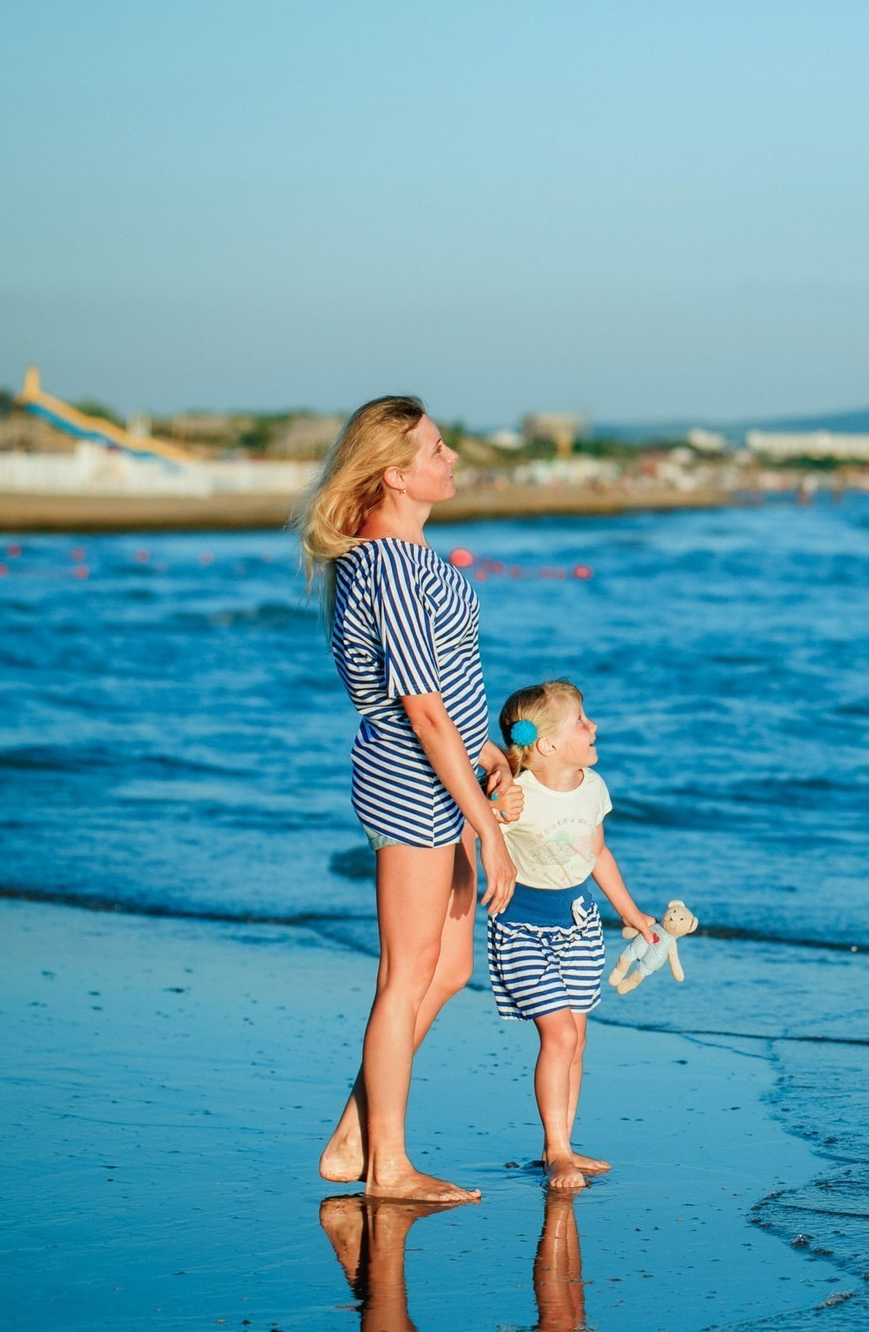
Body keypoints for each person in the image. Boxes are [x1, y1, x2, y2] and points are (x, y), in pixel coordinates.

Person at [298, 395, 523, 1204]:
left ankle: (358, 1133)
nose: (452, 456)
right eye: (436, 447)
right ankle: (386, 1166)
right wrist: (481, 823)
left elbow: (451, 694)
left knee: (449, 965)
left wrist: (491, 754)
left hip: (446, 771)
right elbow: (420, 707)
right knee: (405, 972)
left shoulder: (411, 558)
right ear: (396, 473)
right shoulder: (387, 562)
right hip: (411, 778)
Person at [490, 679, 665, 1192]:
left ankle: (559, 1141)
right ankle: (558, 1152)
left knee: (578, 1036)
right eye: (581, 722)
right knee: (559, 1034)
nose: (595, 727)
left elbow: (598, 854)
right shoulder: (514, 794)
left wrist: (631, 914)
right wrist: (492, 810)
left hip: (581, 925)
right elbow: (475, 834)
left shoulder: (593, 786)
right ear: (546, 745)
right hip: (522, 928)